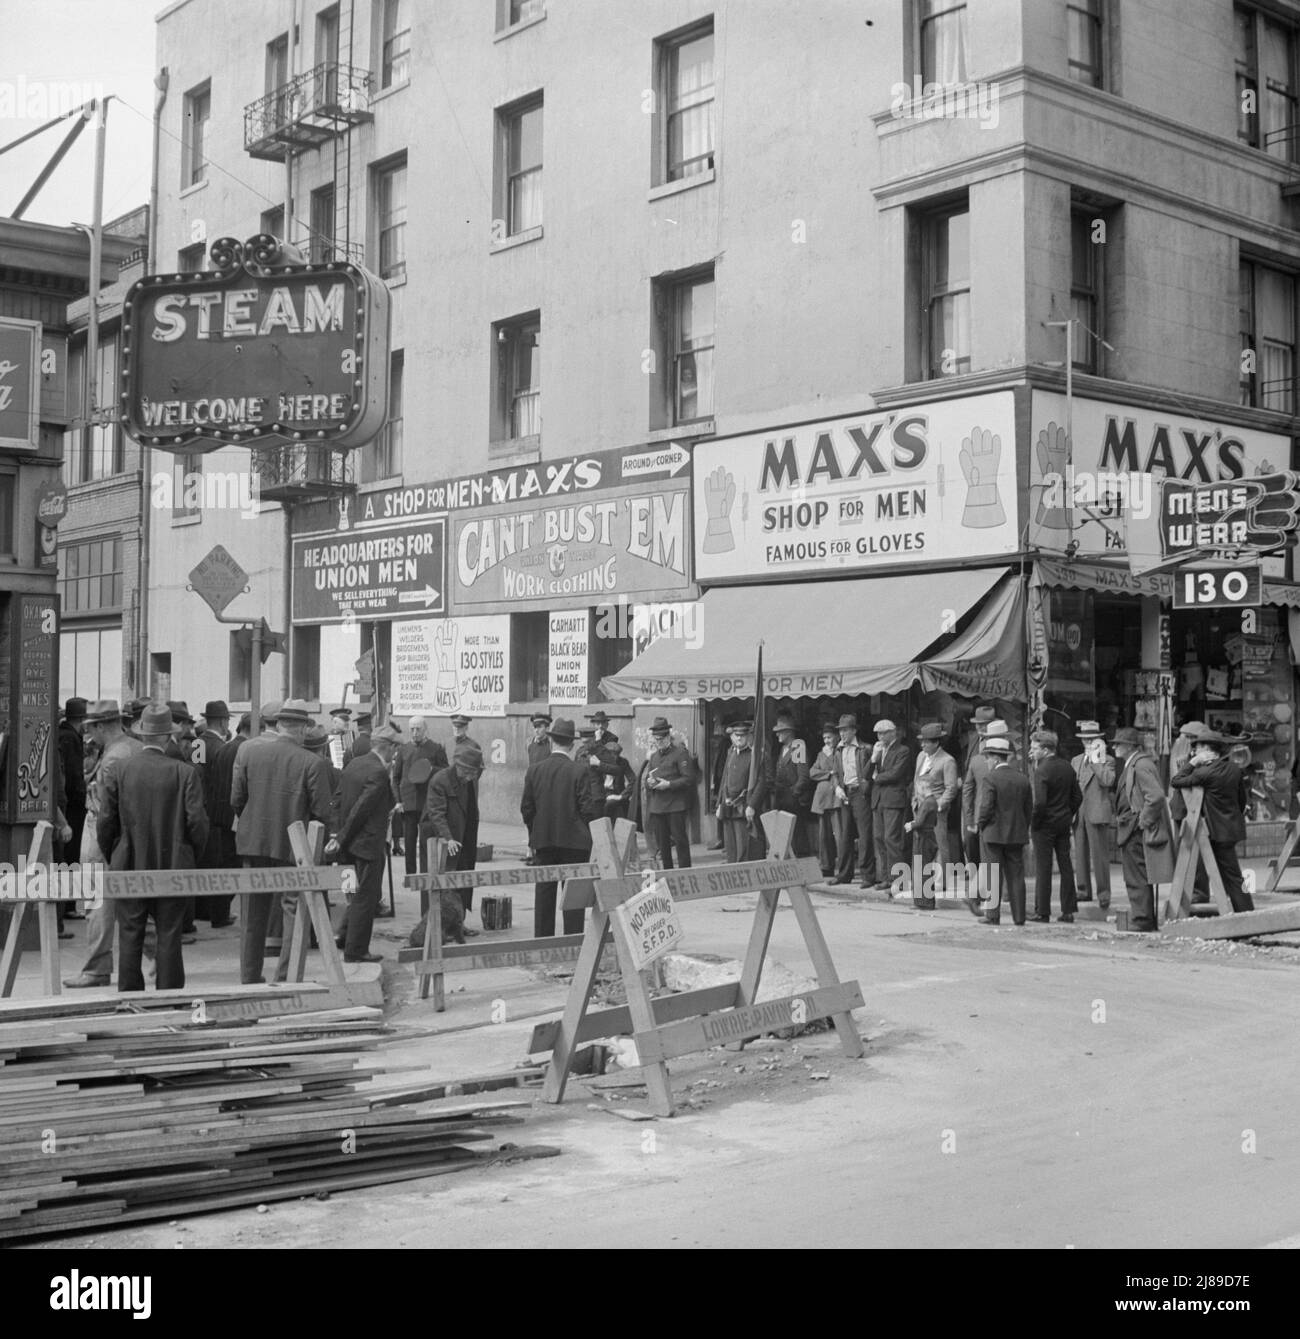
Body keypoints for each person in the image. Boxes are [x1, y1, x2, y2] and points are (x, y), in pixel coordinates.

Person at [97, 704, 209, 992]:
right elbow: (197, 822)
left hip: (129, 860)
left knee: (130, 932)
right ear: (167, 737)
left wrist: (115, 852)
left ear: (143, 735)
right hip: (173, 862)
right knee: (170, 933)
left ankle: (130, 996)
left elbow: (106, 819)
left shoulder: (120, 770)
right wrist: (190, 853)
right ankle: (169, 995)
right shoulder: (185, 772)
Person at [231, 698, 334, 984]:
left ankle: (249, 976)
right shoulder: (312, 762)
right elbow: (322, 812)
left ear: (278, 725)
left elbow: (236, 799)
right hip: (293, 847)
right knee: (294, 913)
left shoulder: (248, 752)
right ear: (302, 729)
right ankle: (287, 976)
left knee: (252, 912)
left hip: (254, 842)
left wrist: (254, 823)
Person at [64, 701, 144, 988]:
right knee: (131, 903)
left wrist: (103, 843)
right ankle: (158, 960)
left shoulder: (113, 757)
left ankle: (97, 969)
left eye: (91, 728)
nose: (89, 736)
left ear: (100, 726)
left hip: (103, 833)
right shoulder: (133, 747)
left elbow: (107, 808)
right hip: (126, 835)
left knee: (97, 903)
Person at [520, 717, 602, 936]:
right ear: (572, 744)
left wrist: (535, 831)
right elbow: (587, 809)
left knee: (544, 893)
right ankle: (572, 942)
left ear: (552, 740)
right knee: (572, 898)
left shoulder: (535, 770)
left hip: (543, 841)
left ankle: (543, 941)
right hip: (574, 844)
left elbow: (526, 809)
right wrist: (584, 834)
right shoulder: (579, 771)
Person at [328, 721, 401, 963]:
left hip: (350, 844)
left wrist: (338, 835)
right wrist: (341, 837)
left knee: (354, 894)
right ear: (387, 747)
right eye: (395, 748)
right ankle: (356, 950)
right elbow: (361, 809)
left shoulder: (354, 764)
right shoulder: (378, 772)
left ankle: (344, 937)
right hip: (367, 845)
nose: (396, 753)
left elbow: (338, 800)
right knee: (365, 898)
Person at [1170, 730, 1254, 913]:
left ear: (1208, 750)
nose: (1195, 752)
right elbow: (1241, 801)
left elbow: (1176, 780)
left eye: (1198, 749)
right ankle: (1244, 909)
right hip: (1232, 829)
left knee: (1230, 875)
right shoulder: (1235, 769)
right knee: (1232, 875)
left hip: (1215, 831)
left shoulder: (1204, 772)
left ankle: (1246, 912)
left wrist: (1191, 763)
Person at [1113, 727, 1174, 933]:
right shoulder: (1138, 763)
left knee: (1136, 875)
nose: (1115, 747)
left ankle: (1142, 918)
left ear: (1130, 746)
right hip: (1132, 825)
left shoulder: (1140, 765)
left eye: (1119, 744)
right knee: (1137, 874)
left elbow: (1155, 796)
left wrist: (1143, 820)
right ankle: (1142, 916)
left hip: (1135, 827)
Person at [422, 740, 488, 922]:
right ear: (458, 766)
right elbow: (436, 814)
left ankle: (458, 923)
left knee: (463, 882)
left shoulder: (470, 778)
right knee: (441, 885)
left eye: (473, 773)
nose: (469, 777)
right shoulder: (440, 780)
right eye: (467, 772)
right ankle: (433, 925)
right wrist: (447, 838)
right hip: (442, 840)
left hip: (464, 837)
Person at [973, 734, 1033, 926]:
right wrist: (1023, 827)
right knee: (1016, 876)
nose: (987, 762)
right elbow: (1028, 809)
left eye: (988, 758)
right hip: (1016, 834)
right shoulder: (1022, 779)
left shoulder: (991, 779)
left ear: (996, 758)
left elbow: (986, 807)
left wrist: (980, 825)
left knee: (993, 875)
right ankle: (1019, 916)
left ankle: (993, 915)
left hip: (993, 833)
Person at [1029, 729, 1082, 923]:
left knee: (1043, 867)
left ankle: (1042, 911)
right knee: (1066, 865)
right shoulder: (1067, 766)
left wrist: (1035, 823)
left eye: (1035, 748)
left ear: (1045, 749)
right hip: (1063, 822)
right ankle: (1068, 910)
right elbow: (1078, 796)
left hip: (1045, 824)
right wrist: (1068, 812)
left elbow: (1040, 802)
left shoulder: (1041, 770)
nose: (1032, 751)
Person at [907, 722, 959, 905]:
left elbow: (951, 788)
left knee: (939, 844)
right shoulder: (921, 757)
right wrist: (914, 800)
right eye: (922, 742)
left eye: (927, 742)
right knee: (922, 848)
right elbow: (916, 779)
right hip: (920, 808)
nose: (923, 745)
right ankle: (922, 883)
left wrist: (939, 805)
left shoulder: (947, 761)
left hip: (935, 809)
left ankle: (940, 880)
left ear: (936, 743)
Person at [193, 700, 234, 927]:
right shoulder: (223, 749)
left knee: (203, 861)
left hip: (201, 807)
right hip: (217, 812)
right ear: (222, 721)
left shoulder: (198, 744)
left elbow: (196, 773)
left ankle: (203, 909)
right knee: (219, 862)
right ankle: (217, 912)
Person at [392, 715, 448, 876]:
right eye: (412, 729)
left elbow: (445, 772)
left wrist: (431, 769)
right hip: (407, 804)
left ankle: (425, 874)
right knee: (409, 842)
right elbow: (395, 778)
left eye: (418, 729)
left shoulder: (436, 748)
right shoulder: (404, 749)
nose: (415, 733)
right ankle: (410, 875)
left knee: (426, 841)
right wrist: (398, 801)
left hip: (427, 804)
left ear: (425, 730)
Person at [1071, 720, 1117, 909]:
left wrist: (1096, 760)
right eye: (1085, 740)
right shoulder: (1075, 760)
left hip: (1097, 811)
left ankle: (1104, 894)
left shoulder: (1108, 760)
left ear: (1099, 741)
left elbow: (1107, 780)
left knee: (1099, 856)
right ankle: (1082, 890)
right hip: (1079, 812)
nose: (1088, 744)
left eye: (1091, 740)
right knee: (1080, 855)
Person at [641, 717, 697, 869]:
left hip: (675, 805)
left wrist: (669, 784)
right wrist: (650, 783)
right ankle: (667, 872)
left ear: (668, 737)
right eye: (656, 739)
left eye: (661, 739)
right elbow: (646, 779)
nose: (658, 742)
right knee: (662, 844)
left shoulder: (680, 753)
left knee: (680, 841)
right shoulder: (653, 757)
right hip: (658, 806)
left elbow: (689, 778)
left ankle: (685, 871)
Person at [1167, 720, 1213, 904]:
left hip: (1194, 811)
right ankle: (1188, 888)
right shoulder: (1182, 757)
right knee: (1183, 852)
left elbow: (1184, 780)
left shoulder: (1201, 761)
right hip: (1180, 809)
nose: (1180, 741)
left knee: (1197, 854)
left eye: (1185, 737)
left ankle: (1199, 890)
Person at [869, 719, 912, 891]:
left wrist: (876, 778)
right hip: (878, 799)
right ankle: (886, 877)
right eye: (878, 733)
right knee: (879, 838)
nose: (880, 736)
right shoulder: (879, 750)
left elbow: (895, 774)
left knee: (891, 838)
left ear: (893, 732)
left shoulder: (903, 750)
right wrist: (873, 758)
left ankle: (899, 879)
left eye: (883, 733)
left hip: (893, 799)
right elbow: (865, 774)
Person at [716, 719, 766, 863]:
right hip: (728, 807)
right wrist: (720, 804)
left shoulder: (754, 756)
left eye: (742, 735)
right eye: (736, 735)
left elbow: (761, 783)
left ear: (748, 737)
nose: (739, 738)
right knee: (731, 849)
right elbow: (724, 781)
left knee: (744, 850)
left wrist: (752, 805)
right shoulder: (730, 754)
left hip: (744, 807)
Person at [831, 714, 873, 886]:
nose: (842, 734)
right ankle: (844, 874)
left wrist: (865, 788)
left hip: (860, 793)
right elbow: (834, 773)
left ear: (854, 731)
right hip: (845, 793)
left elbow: (871, 773)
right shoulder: (838, 749)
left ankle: (868, 876)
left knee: (865, 835)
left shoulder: (864, 748)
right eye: (840, 730)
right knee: (845, 835)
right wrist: (837, 788)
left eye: (845, 730)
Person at [769, 715, 813, 856]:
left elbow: (803, 776)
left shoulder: (797, 746)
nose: (777, 734)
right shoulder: (784, 748)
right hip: (782, 797)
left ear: (788, 732)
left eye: (780, 731)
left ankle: (801, 861)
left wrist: (794, 793)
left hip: (793, 799)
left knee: (797, 835)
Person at [962, 716, 1003, 864]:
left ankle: (982, 880)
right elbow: (968, 790)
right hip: (983, 812)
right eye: (977, 724)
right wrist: (969, 818)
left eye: (982, 725)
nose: (978, 728)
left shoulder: (1008, 759)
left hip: (991, 815)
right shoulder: (977, 757)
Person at [56, 697, 90, 864]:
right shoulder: (71, 738)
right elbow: (73, 776)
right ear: (82, 720)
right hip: (71, 806)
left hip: (65, 804)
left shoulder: (63, 735)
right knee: (70, 854)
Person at [809, 723, 842, 879]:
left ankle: (841, 866)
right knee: (824, 835)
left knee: (839, 835)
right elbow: (812, 772)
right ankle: (826, 866)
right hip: (822, 799)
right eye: (824, 738)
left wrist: (828, 772)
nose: (827, 741)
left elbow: (837, 771)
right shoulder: (821, 753)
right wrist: (828, 773)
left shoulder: (839, 751)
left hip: (836, 798)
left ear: (836, 737)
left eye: (829, 737)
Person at [599, 735, 637, 821]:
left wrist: (621, 796)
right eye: (610, 755)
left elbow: (633, 780)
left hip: (617, 792)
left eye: (616, 755)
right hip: (601, 793)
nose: (614, 758)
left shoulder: (623, 762)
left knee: (611, 805)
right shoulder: (599, 761)